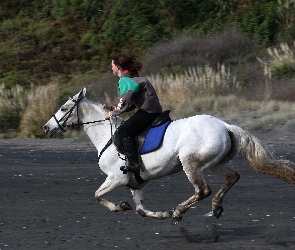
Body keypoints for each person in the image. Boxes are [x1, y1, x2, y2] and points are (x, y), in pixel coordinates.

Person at [102, 54, 162, 174]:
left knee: (123, 131)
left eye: (112, 66)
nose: (111, 68)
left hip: (148, 112)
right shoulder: (134, 77)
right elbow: (129, 104)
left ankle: (133, 164)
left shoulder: (124, 80)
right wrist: (113, 107)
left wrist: (112, 113)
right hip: (153, 111)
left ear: (118, 67)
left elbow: (125, 101)